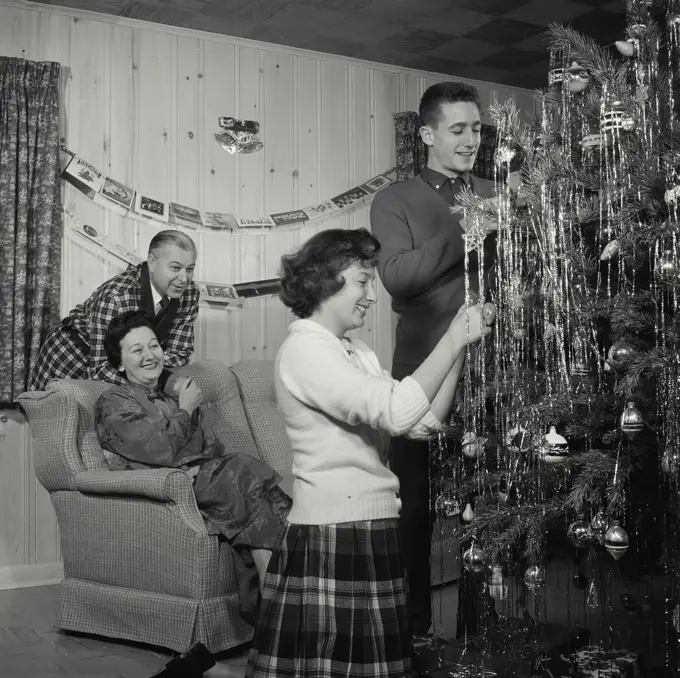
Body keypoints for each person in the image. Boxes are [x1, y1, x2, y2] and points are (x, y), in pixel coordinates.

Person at [246, 228, 494, 678]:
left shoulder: (354, 351)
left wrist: (461, 347)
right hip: (333, 529)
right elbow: (399, 414)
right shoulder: (305, 349)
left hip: (369, 523)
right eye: (363, 281)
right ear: (326, 281)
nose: (372, 296)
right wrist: (452, 339)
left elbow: (423, 422)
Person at [370, 81, 498, 639]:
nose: (471, 139)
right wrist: (467, 227)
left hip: (496, 374)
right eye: (458, 129)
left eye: (477, 128)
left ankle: (480, 626)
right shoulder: (396, 200)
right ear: (426, 135)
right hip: (422, 371)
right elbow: (399, 277)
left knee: (487, 503)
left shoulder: (498, 192)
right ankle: (412, 631)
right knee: (414, 510)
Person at [94, 310, 292, 628]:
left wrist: (182, 406)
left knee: (267, 497)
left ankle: (275, 611)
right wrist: (186, 408)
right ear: (119, 363)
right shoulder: (113, 402)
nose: (149, 355)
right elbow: (161, 448)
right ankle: (279, 613)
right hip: (172, 486)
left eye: (154, 346)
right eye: (137, 350)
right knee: (245, 472)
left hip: (206, 478)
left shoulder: (174, 394)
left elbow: (209, 448)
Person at [29, 230, 200, 392]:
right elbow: (101, 368)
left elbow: (179, 353)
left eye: (189, 269)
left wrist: (150, 371)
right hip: (71, 356)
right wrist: (155, 384)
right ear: (152, 263)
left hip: (126, 367)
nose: (184, 279)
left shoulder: (190, 293)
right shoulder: (116, 297)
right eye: (175, 268)